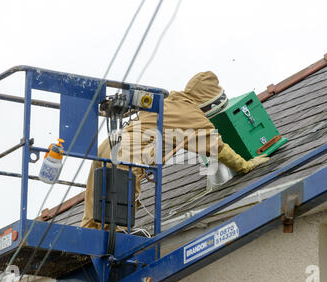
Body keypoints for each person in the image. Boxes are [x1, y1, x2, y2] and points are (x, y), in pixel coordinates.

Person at [80, 71, 269, 229]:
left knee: (93, 205)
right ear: (211, 102)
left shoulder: (168, 100)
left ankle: (82, 246)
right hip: (129, 154)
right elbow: (218, 148)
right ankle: (106, 247)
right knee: (118, 217)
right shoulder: (194, 116)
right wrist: (245, 165)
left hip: (108, 144)